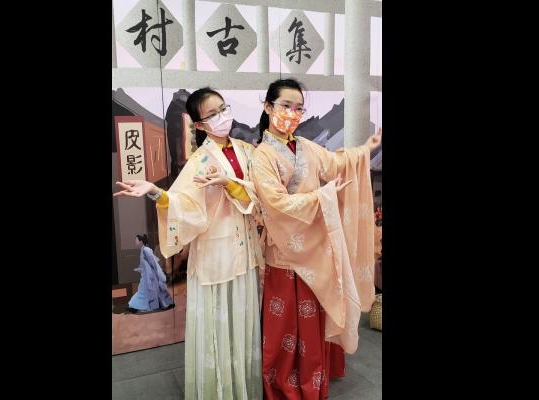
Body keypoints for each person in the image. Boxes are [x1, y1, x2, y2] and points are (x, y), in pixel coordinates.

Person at [114, 88, 264, 399]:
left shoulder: (247, 151)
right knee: (218, 326)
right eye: (212, 114)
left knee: (243, 320)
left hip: (246, 251)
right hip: (215, 256)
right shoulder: (199, 161)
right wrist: (156, 192)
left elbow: (261, 193)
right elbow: (183, 204)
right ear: (199, 125)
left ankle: (244, 388)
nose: (221, 117)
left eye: (223, 108)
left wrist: (231, 184)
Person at [250, 79, 382, 399]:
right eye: (285, 106)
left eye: (298, 108)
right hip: (285, 249)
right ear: (268, 107)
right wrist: (323, 197)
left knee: (313, 315)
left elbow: (336, 163)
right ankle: (283, 381)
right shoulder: (262, 155)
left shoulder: (307, 147)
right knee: (286, 322)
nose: (292, 114)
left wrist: (365, 150)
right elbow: (275, 204)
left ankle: (313, 376)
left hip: (316, 246)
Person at [127, 234, 174, 313]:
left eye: (136, 240)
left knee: (151, 291)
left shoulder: (146, 250)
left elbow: (153, 263)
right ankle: (135, 305)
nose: (135, 242)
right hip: (146, 275)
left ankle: (134, 305)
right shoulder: (143, 250)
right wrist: (140, 269)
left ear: (141, 241)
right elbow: (145, 264)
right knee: (146, 291)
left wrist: (158, 274)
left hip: (150, 275)